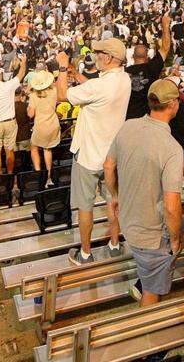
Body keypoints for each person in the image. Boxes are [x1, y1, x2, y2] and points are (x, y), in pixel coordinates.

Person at [103, 79, 184, 306]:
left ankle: (149, 275)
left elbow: (108, 165)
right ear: (173, 105)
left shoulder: (128, 126)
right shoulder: (171, 148)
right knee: (151, 296)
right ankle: (144, 337)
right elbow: (172, 206)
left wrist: (115, 196)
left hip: (129, 219)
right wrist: (174, 242)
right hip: (151, 233)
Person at [56, 37, 130, 266]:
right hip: (112, 157)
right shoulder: (124, 79)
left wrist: (61, 68)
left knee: (85, 207)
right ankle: (115, 244)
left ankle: (86, 253)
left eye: (98, 54)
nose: (94, 57)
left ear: (107, 58)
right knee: (113, 200)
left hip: (88, 156)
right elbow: (92, 87)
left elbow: (61, 96)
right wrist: (75, 74)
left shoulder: (97, 86)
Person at [123, 13, 172, 120]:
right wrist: (165, 25)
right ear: (147, 56)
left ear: (132, 56)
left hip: (128, 119)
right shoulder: (152, 67)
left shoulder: (123, 72)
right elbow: (165, 48)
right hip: (148, 118)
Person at [27, 69, 61, 185]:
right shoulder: (54, 91)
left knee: (34, 147)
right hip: (53, 124)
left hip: (40, 125)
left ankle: (39, 174)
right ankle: (49, 176)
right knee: (48, 149)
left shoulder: (33, 95)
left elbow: (30, 114)